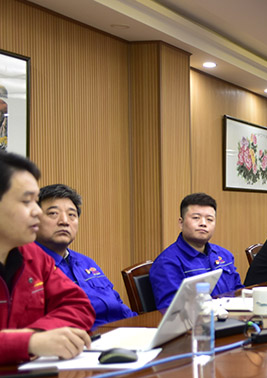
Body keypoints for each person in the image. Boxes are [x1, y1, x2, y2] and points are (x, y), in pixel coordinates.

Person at [0, 151, 94, 364]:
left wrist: (37, 335)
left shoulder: (33, 255)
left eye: (36, 202)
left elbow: (79, 306)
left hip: (28, 375)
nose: (37, 212)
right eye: (26, 202)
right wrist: (28, 342)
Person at [35, 184, 136, 327]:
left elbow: (118, 304)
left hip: (122, 333)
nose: (64, 221)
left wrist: (141, 328)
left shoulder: (86, 262)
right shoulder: (30, 267)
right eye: (53, 213)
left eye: (72, 215)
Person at [150, 193, 244, 310]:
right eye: (196, 218)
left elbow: (239, 292)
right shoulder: (167, 262)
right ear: (181, 223)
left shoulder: (224, 255)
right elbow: (172, 310)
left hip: (232, 316)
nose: (203, 223)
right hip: (199, 320)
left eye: (209, 219)